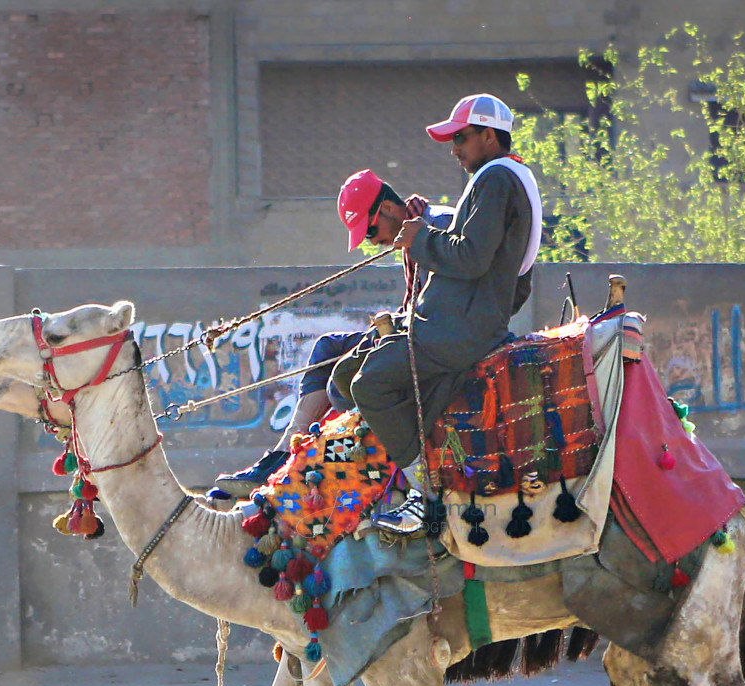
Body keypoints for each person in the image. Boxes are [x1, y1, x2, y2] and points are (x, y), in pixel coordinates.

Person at [340, 93, 543, 534]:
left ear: (489, 135)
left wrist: (421, 239)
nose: (455, 149)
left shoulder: (496, 179)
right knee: (348, 371)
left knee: (368, 383)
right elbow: (507, 275)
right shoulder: (505, 178)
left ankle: (422, 488)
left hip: (456, 330)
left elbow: (470, 258)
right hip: (461, 326)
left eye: (462, 138)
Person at [209, 170, 454, 499]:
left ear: (389, 209)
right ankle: (281, 457)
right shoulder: (412, 229)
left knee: (344, 381)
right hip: (411, 329)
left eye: (369, 230)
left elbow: (447, 303)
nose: (371, 241)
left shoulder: (436, 225)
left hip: (435, 340)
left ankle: (414, 484)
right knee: (329, 347)